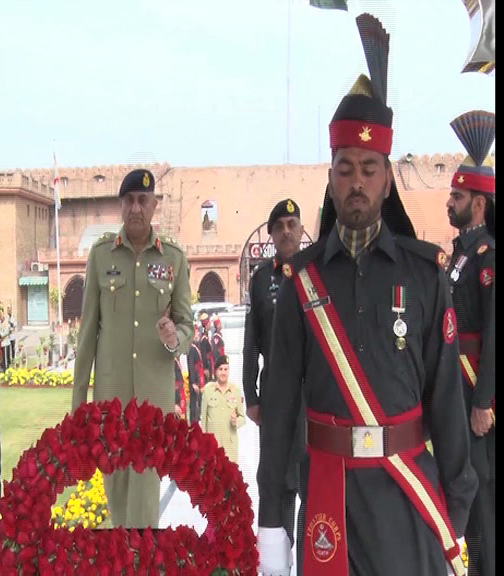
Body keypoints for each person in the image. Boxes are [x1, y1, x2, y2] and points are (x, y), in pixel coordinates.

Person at [256, 15, 477, 576]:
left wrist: (458, 504)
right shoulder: (301, 278)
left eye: (370, 169)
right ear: (331, 176)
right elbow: (279, 406)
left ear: (386, 179)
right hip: (329, 502)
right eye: (346, 168)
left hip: (407, 501)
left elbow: (447, 399)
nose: (357, 181)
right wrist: (272, 519)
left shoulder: (425, 276)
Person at [72, 167, 193, 529]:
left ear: (155, 205)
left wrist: (175, 337)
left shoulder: (173, 258)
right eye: (129, 201)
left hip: (153, 405)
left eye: (143, 200)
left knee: (143, 504)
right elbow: (87, 335)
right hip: (111, 403)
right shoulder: (101, 256)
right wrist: (80, 407)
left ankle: (138, 562)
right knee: (117, 498)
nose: (136, 208)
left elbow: (187, 323)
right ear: (120, 206)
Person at [445, 109, 496, 576]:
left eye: (457, 196)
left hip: (477, 395)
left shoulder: (487, 256)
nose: (450, 202)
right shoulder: (460, 251)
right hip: (455, 395)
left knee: (484, 504)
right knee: (465, 493)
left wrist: (484, 401)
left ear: (478, 203)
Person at [242, 198, 305, 547]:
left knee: (310, 478)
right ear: (270, 235)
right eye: (279, 226)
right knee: (274, 479)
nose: (286, 231)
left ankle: (311, 564)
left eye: (291, 224)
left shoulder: (317, 272)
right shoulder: (261, 278)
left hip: (314, 393)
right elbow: (252, 340)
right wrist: (251, 396)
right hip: (276, 393)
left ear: (301, 229)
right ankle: (275, 562)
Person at [200, 355, 245, 464]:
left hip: (230, 447)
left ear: (229, 371)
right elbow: (204, 419)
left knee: (229, 478)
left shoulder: (235, 391)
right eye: (220, 369)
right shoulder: (208, 390)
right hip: (213, 445)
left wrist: (236, 422)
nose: (223, 373)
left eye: (225, 369)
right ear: (216, 372)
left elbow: (242, 418)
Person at [187, 324, 205, 424]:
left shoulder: (196, 347)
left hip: (198, 378)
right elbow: (191, 366)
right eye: (196, 333)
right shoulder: (192, 349)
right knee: (193, 402)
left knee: (197, 400)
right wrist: (193, 382)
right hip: (194, 380)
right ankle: (193, 419)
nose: (197, 335)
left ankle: (196, 418)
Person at [198, 311, 214, 380]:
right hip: (207, 364)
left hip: (210, 363)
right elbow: (203, 354)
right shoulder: (204, 339)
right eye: (209, 323)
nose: (210, 325)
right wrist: (205, 368)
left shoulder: (206, 336)